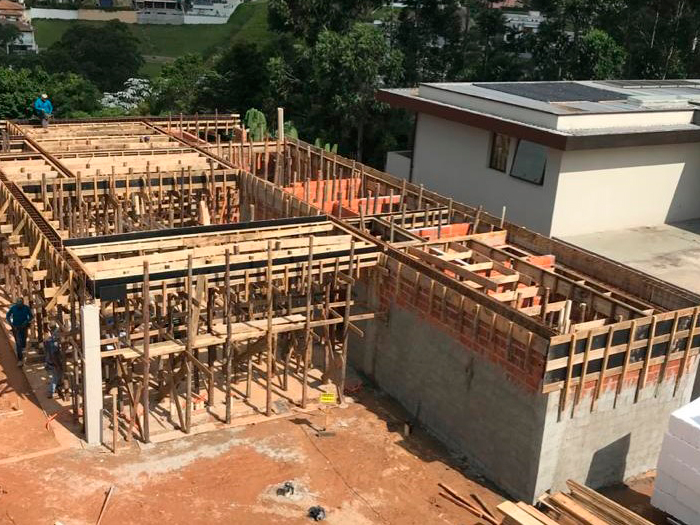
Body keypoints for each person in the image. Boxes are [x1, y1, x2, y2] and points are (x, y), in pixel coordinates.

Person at [6, 298, 32, 367]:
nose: (19, 305)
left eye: (20, 304)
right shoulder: (13, 308)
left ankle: (23, 351)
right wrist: (11, 324)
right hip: (16, 328)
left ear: (23, 303)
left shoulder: (26, 308)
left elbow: (31, 316)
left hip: (24, 328)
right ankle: (20, 360)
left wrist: (26, 322)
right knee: (18, 343)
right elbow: (7, 316)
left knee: (23, 341)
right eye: (18, 304)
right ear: (16, 303)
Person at [44, 325, 63, 399]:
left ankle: (56, 388)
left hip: (49, 362)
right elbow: (54, 355)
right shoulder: (54, 344)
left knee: (56, 376)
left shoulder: (49, 340)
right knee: (55, 377)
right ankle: (50, 392)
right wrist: (57, 365)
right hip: (53, 363)